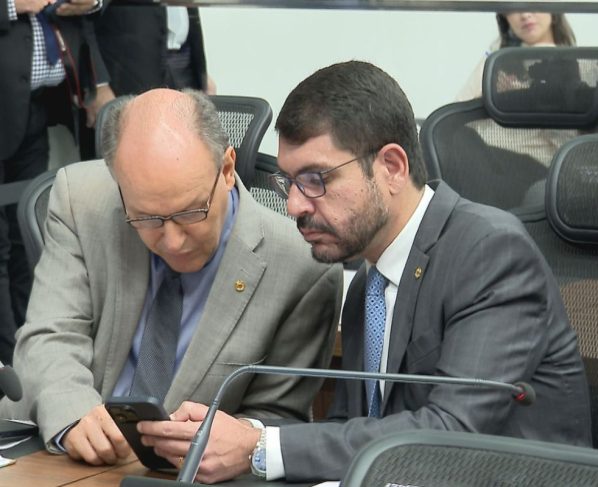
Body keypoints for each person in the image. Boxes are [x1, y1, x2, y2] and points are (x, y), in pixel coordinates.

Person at [135, 61, 592, 484]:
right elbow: (350, 429)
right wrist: (239, 434)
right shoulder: (367, 289)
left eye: (316, 180)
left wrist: (260, 446)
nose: (294, 205)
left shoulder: (489, 252)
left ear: (391, 167)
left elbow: (451, 432)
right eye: (288, 183)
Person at [0, 88, 342, 466]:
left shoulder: (302, 266)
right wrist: (73, 414)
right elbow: (48, 337)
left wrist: (236, 446)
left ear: (227, 170)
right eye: (147, 219)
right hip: (56, 456)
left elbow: (277, 418)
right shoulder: (81, 200)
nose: (173, 240)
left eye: (190, 212)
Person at [0, 0, 109, 365]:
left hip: (35, 110)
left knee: (27, 232)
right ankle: (7, 363)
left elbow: (94, 15)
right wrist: (14, 5)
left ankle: (30, 349)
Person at [80, 4, 215, 159]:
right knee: (129, 160)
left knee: (186, 156)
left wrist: (200, 72)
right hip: (123, 76)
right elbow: (80, 17)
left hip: (182, 66)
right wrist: (97, 83)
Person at [456, 11, 576, 101]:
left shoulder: (585, 65)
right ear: (504, 16)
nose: (525, 14)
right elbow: (457, 121)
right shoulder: (494, 64)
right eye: (514, 4)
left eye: (533, 2)